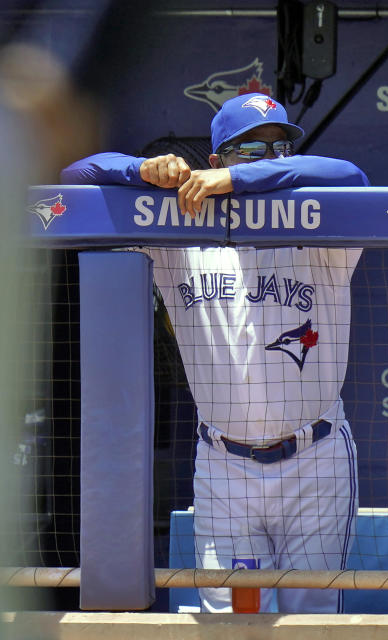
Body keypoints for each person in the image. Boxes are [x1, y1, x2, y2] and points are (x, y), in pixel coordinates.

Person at [61, 93, 369, 614]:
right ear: (214, 161)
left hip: (315, 461)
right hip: (226, 469)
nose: (271, 159)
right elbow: (75, 175)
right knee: (233, 620)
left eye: (280, 147)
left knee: (313, 622)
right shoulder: (178, 228)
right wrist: (144, 169)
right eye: (251, 148)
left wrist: (242, 179)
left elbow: (351, 176)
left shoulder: (320, 227)